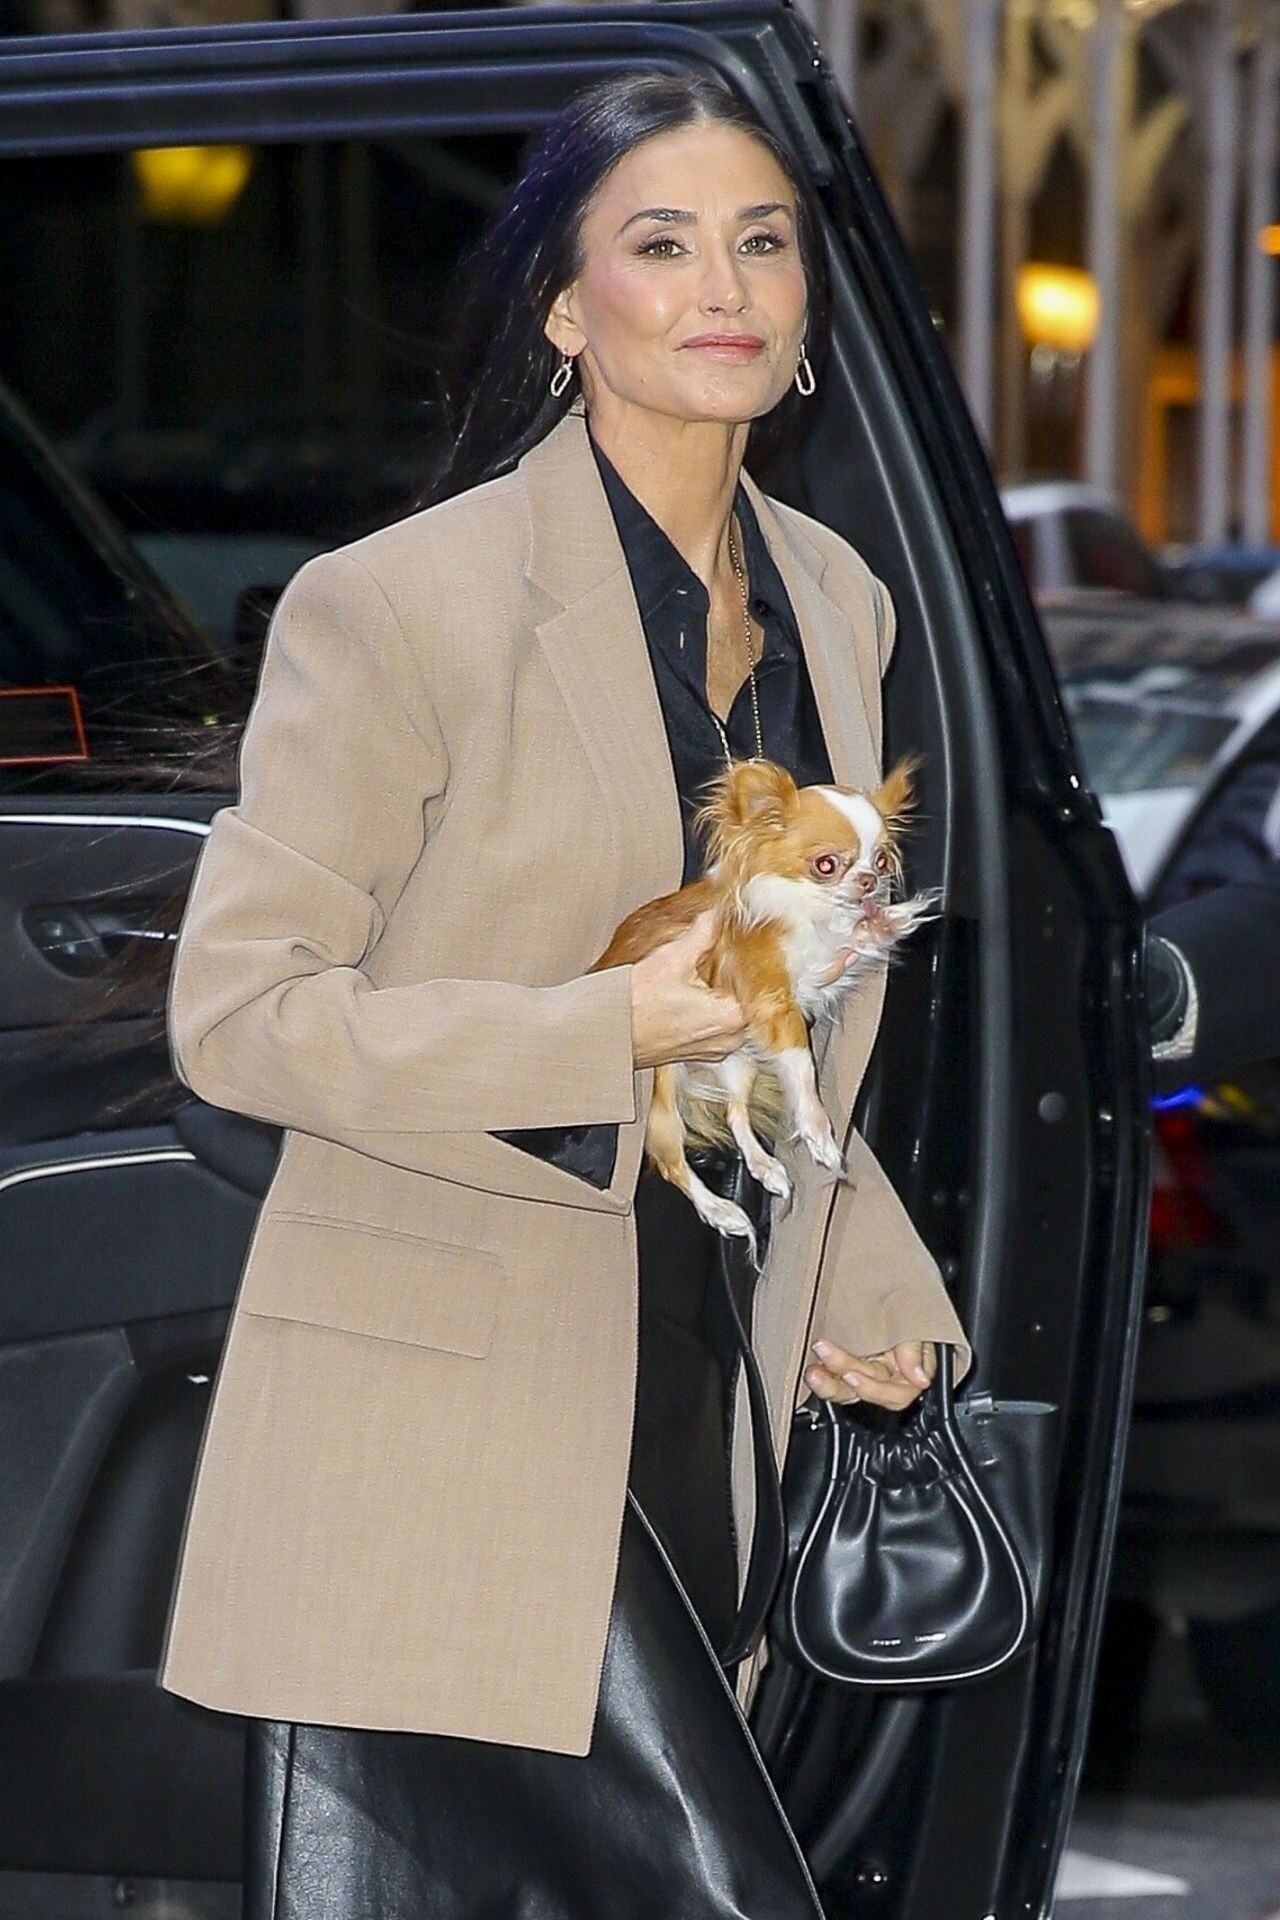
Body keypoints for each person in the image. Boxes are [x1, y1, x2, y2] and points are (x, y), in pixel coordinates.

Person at [156, 71, 972, 1918]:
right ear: (561, 310)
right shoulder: (402, 605)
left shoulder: (838, 599)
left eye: (763, 242)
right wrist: (605, 1034)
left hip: (705, 1368)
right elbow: (240, 1014)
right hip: (461, 1408)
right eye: (661, 243)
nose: (725, 286)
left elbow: (792, 1010)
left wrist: (864, 1287)